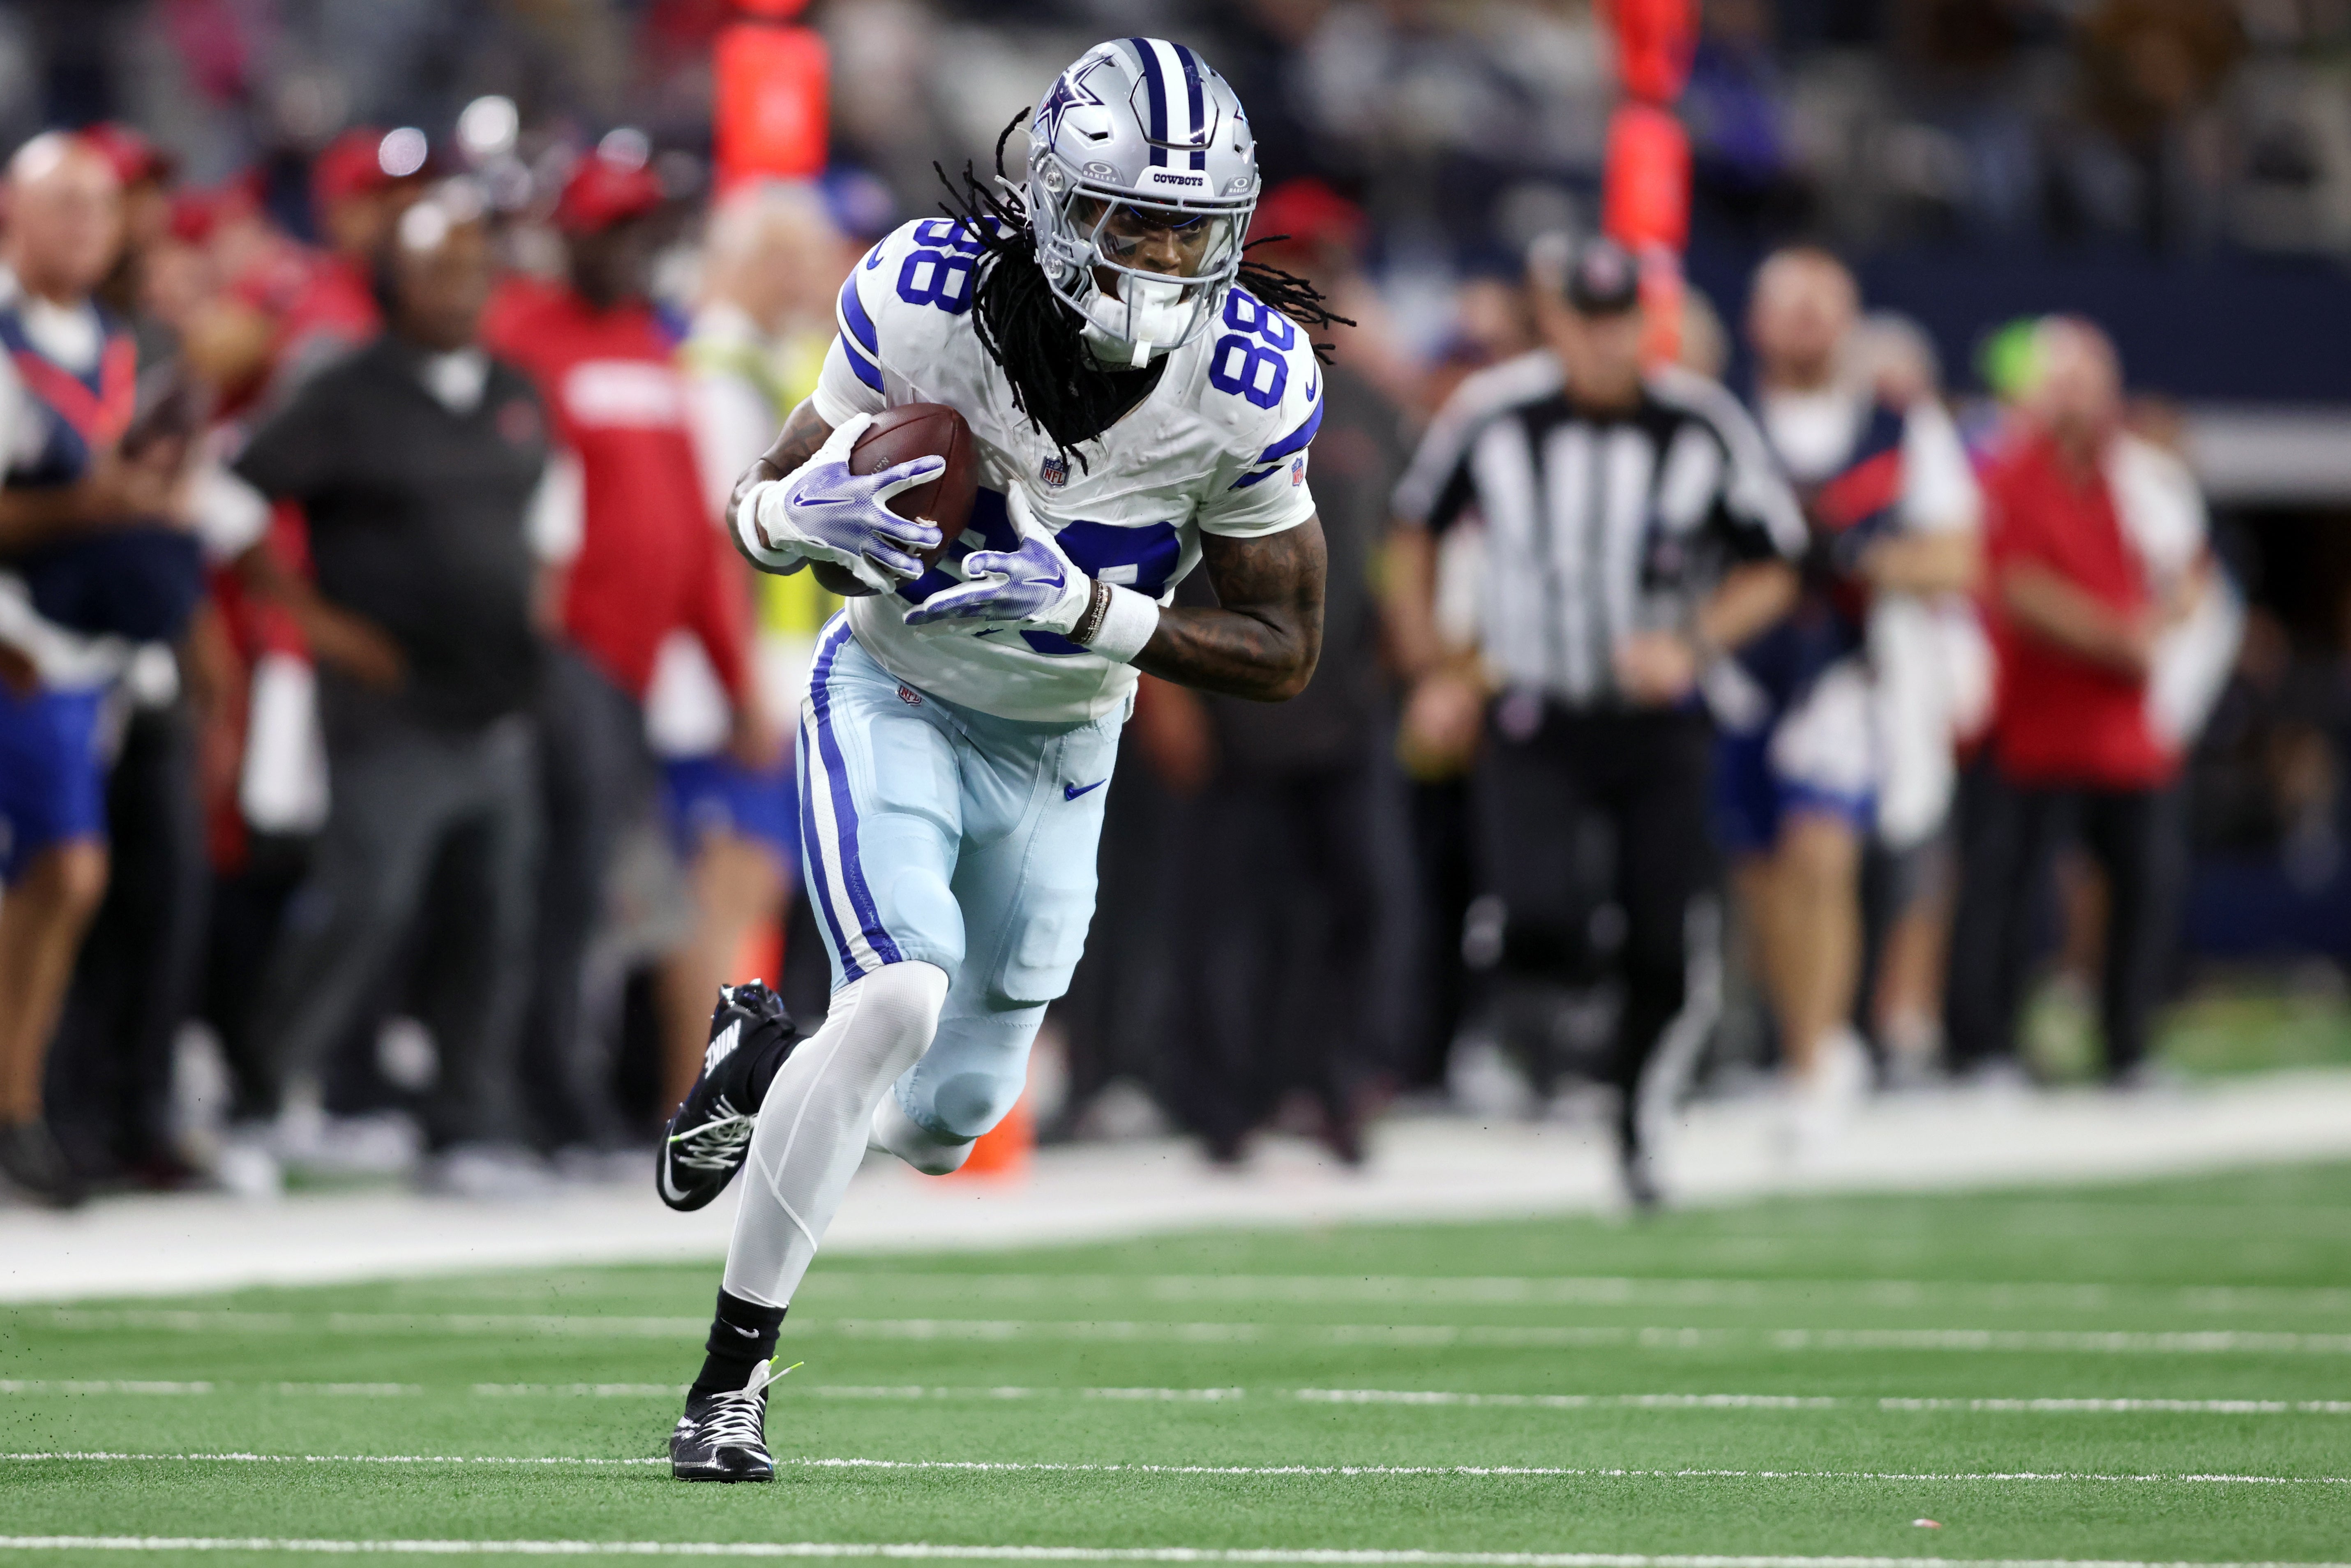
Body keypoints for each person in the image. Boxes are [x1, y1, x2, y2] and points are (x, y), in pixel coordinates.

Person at [648, 38, 1334, 1481]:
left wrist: (1098, 610)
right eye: (1128, 218)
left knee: (953, 1122)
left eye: (1188, 227)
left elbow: (1285, 646)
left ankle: (762, 1059)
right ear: (1054, 204)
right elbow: (764, 498)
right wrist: (794, 525)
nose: (1157, 254)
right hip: (894, 690)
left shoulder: (1250, 378)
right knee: (894, 991)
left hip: (1069, 737)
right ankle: (729, 1378)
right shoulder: (925, 292)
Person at [1387, 235, 1804, 1206]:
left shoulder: (1698, 423)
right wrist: (1435, 670)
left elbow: (1776, 561)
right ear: (1557, 324)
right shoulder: (1492, 415)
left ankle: (1635, 1112)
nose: (1608, 342)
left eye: (1623, 320)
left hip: (1657, 722)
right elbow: (1413, 533)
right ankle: (1541, 1038)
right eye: (1589, 321)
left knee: (1662, 936)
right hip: (1534, 709)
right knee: (1536, 914)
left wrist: (1692, 643)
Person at [221, 184, 558, 1194]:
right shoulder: (344, 391)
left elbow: (543, 520)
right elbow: (229, 499)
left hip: (498, 701)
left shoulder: (512, 386)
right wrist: (317, 623)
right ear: (391, 282)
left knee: (493, 922)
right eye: (436, 270)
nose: (459, 289)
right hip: (391, 704)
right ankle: (256, 1100)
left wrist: (530, 610)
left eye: (471, 269)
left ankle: (465, 1124)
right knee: (364, 906)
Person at [484, 146, 768, 1166]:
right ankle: (535, 1096)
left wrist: (735, 681)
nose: (632, 248)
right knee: (557, 885)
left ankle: (574, 1087)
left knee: (596, 888)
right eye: (613, 228)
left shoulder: (653, 350)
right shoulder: (520, 339)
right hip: (558, 657)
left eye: (643, 230)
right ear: (567, 235)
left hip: (630, 675)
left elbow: (694, 540)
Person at [1157, 178, 1407, 1164]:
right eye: (1298, 265)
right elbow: (1158, 554)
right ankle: (1219, 1105)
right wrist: (1163, 695)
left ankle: (1337, 1088)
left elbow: (1403, 552)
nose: (1316, 282)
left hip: (1343, 699)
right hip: (1226, 697)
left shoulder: (1374, 408)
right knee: (1223, 917)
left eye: (1331, 265)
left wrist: (1402, 658)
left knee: (1363, 903)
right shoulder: (1193, 400)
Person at [1730, 248, 1979, 1147]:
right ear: (1755, 321)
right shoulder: (1718, 411)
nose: (1805, 322)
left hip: (1840, 666)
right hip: (1736, 665)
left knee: (1819, 853)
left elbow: (1957, 553)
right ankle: (1794, 1036)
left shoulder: (1896, 424)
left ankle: (1814, 1054)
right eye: (1788, 304)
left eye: (1821, 305)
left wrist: (1859, 560)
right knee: (1758, 871)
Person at [0, 132, 198, 1207]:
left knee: (70, 880)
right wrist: (95, 508)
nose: (83, 227)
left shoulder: (115, 341)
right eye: (61, 206)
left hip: (90, 655)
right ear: (13, 214)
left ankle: (23, 1105)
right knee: (66, 871)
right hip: (20, 641)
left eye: (98, 208)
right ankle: (20, 1104)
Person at [1943, 317, 2213, 1086]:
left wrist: (2155, 628)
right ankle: (1982, 1043)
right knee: (2006, 887)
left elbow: (2188, 570)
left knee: (2144, 880)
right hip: (2031, 716)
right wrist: (2113, 636)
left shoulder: (2142, 477)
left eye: (2090, 388)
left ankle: (2127, 1042)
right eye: (2063, 388)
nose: (2078, 405)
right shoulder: (2005, 476)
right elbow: (2016, 585)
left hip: (2124, 724)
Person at [659, 183, 847, 1106]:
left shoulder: (761, 358)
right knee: (729, 887)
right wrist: (739, 685)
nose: (818, 277)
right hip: (738, 675)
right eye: (804, 257)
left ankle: (713, 1093)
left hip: (764, 667)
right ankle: (693, 1102)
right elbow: (716, 540)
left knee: (746, 888)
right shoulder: (718, 365)